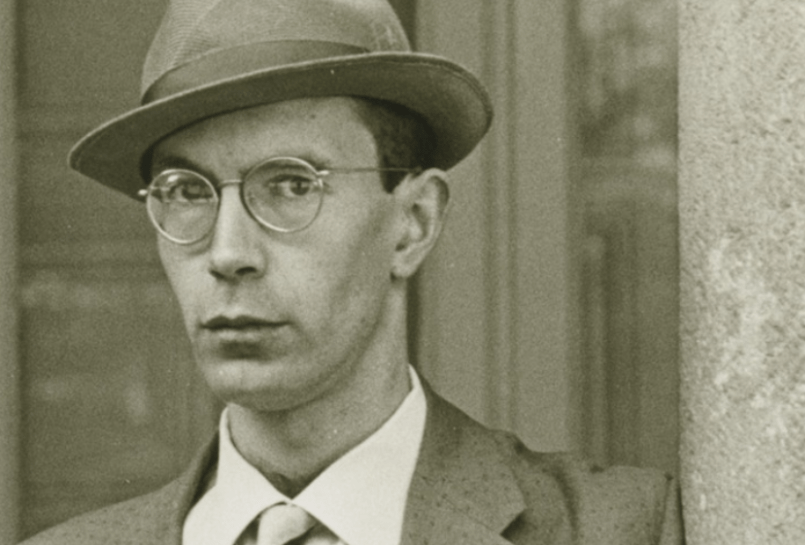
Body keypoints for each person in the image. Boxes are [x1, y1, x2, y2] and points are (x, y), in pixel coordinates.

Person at [21, 0, 683, 543]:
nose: (227, 252)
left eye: (290, 185)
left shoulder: (617, 528)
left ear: (414, 222)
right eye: (188, 192)